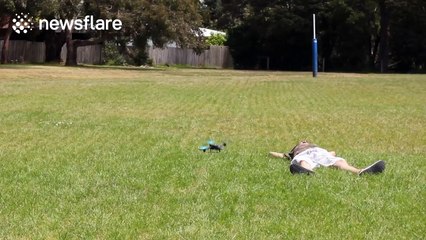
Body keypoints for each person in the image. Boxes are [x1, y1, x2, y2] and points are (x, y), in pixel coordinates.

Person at [269, 140, 386, 175]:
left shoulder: (316, 147)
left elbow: (333, 153)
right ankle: (307, 172)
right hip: (304, 156)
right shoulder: (294, 152)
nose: (304, 141)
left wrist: (330, 155)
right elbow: (273, 154)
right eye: (301, 142)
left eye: (305, 141)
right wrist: (289, 153)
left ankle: (360, 172)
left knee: (339, 161)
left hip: (321, 153)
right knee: (303, 161)